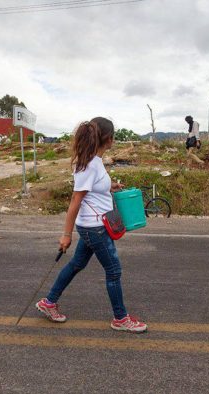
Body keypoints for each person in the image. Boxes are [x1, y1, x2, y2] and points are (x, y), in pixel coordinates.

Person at [35, 117, 148, 333]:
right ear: (108, 139)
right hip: (95, 228)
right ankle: (121, 319)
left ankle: (49, 303)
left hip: (93, 225)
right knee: (113, 270)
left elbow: (93, 189)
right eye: (113, 136)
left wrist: (111, 187)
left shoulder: (94, 161)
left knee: (77, 264)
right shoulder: (88, 165)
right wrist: (66, 234)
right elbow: (75, 200)